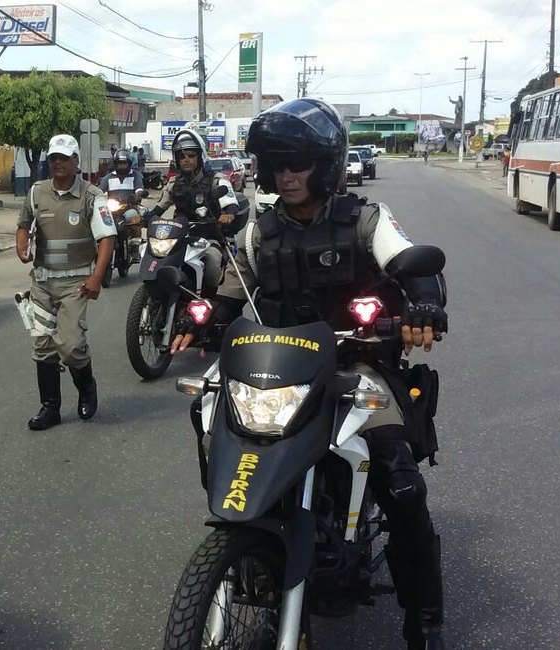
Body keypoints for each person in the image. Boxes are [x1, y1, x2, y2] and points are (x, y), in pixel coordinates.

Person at [172, 98, 449, 650]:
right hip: (280, 368)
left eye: (297, 162)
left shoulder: (364, 219)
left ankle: (424, 622)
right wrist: (204, 319)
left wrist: (423, 307)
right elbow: (235, 285)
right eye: (277, 164)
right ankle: (257, 552)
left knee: (402, 485)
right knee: (223, 435)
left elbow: (411, 262)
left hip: (358, 364)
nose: (286, 174)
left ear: (323, 165)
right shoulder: (260, 230)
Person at [16, 134, 116, 431]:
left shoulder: (91, 195)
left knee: (71, 346)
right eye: (54, 158)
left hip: (76, 284)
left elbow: (107, 238)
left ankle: (87, 389)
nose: (58, 163)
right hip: (43, 283)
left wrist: (97, 278)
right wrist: (23, 247)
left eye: (64, 158)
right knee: (43, 346)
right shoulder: (36, 192)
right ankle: (51, 408)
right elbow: (23, 224)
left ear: (76, 161)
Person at [142, 127, 238, 296]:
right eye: (181, 156)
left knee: (212, 264)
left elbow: (230, 202)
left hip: (208, 238)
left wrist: (228, 214)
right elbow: (160, 206)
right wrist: (145, 217)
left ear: (200, 157)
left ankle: (209, 302)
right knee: (156, 260)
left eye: (191, 155)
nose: (186, 160)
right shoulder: (174, 183)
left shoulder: (217, 180)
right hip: (179, 238)